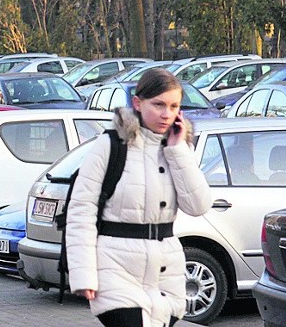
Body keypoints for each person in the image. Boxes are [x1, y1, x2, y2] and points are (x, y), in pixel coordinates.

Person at [66, 68, 212, 327]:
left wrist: (178, 151)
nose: (166, 114)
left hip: (165, 272)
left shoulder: (179, 148)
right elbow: (81, 210)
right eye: (158, 104)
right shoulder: (111, 144)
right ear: (137, 103)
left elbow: (198, 206)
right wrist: (83, 274)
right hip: (115, 268)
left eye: (173, 106)